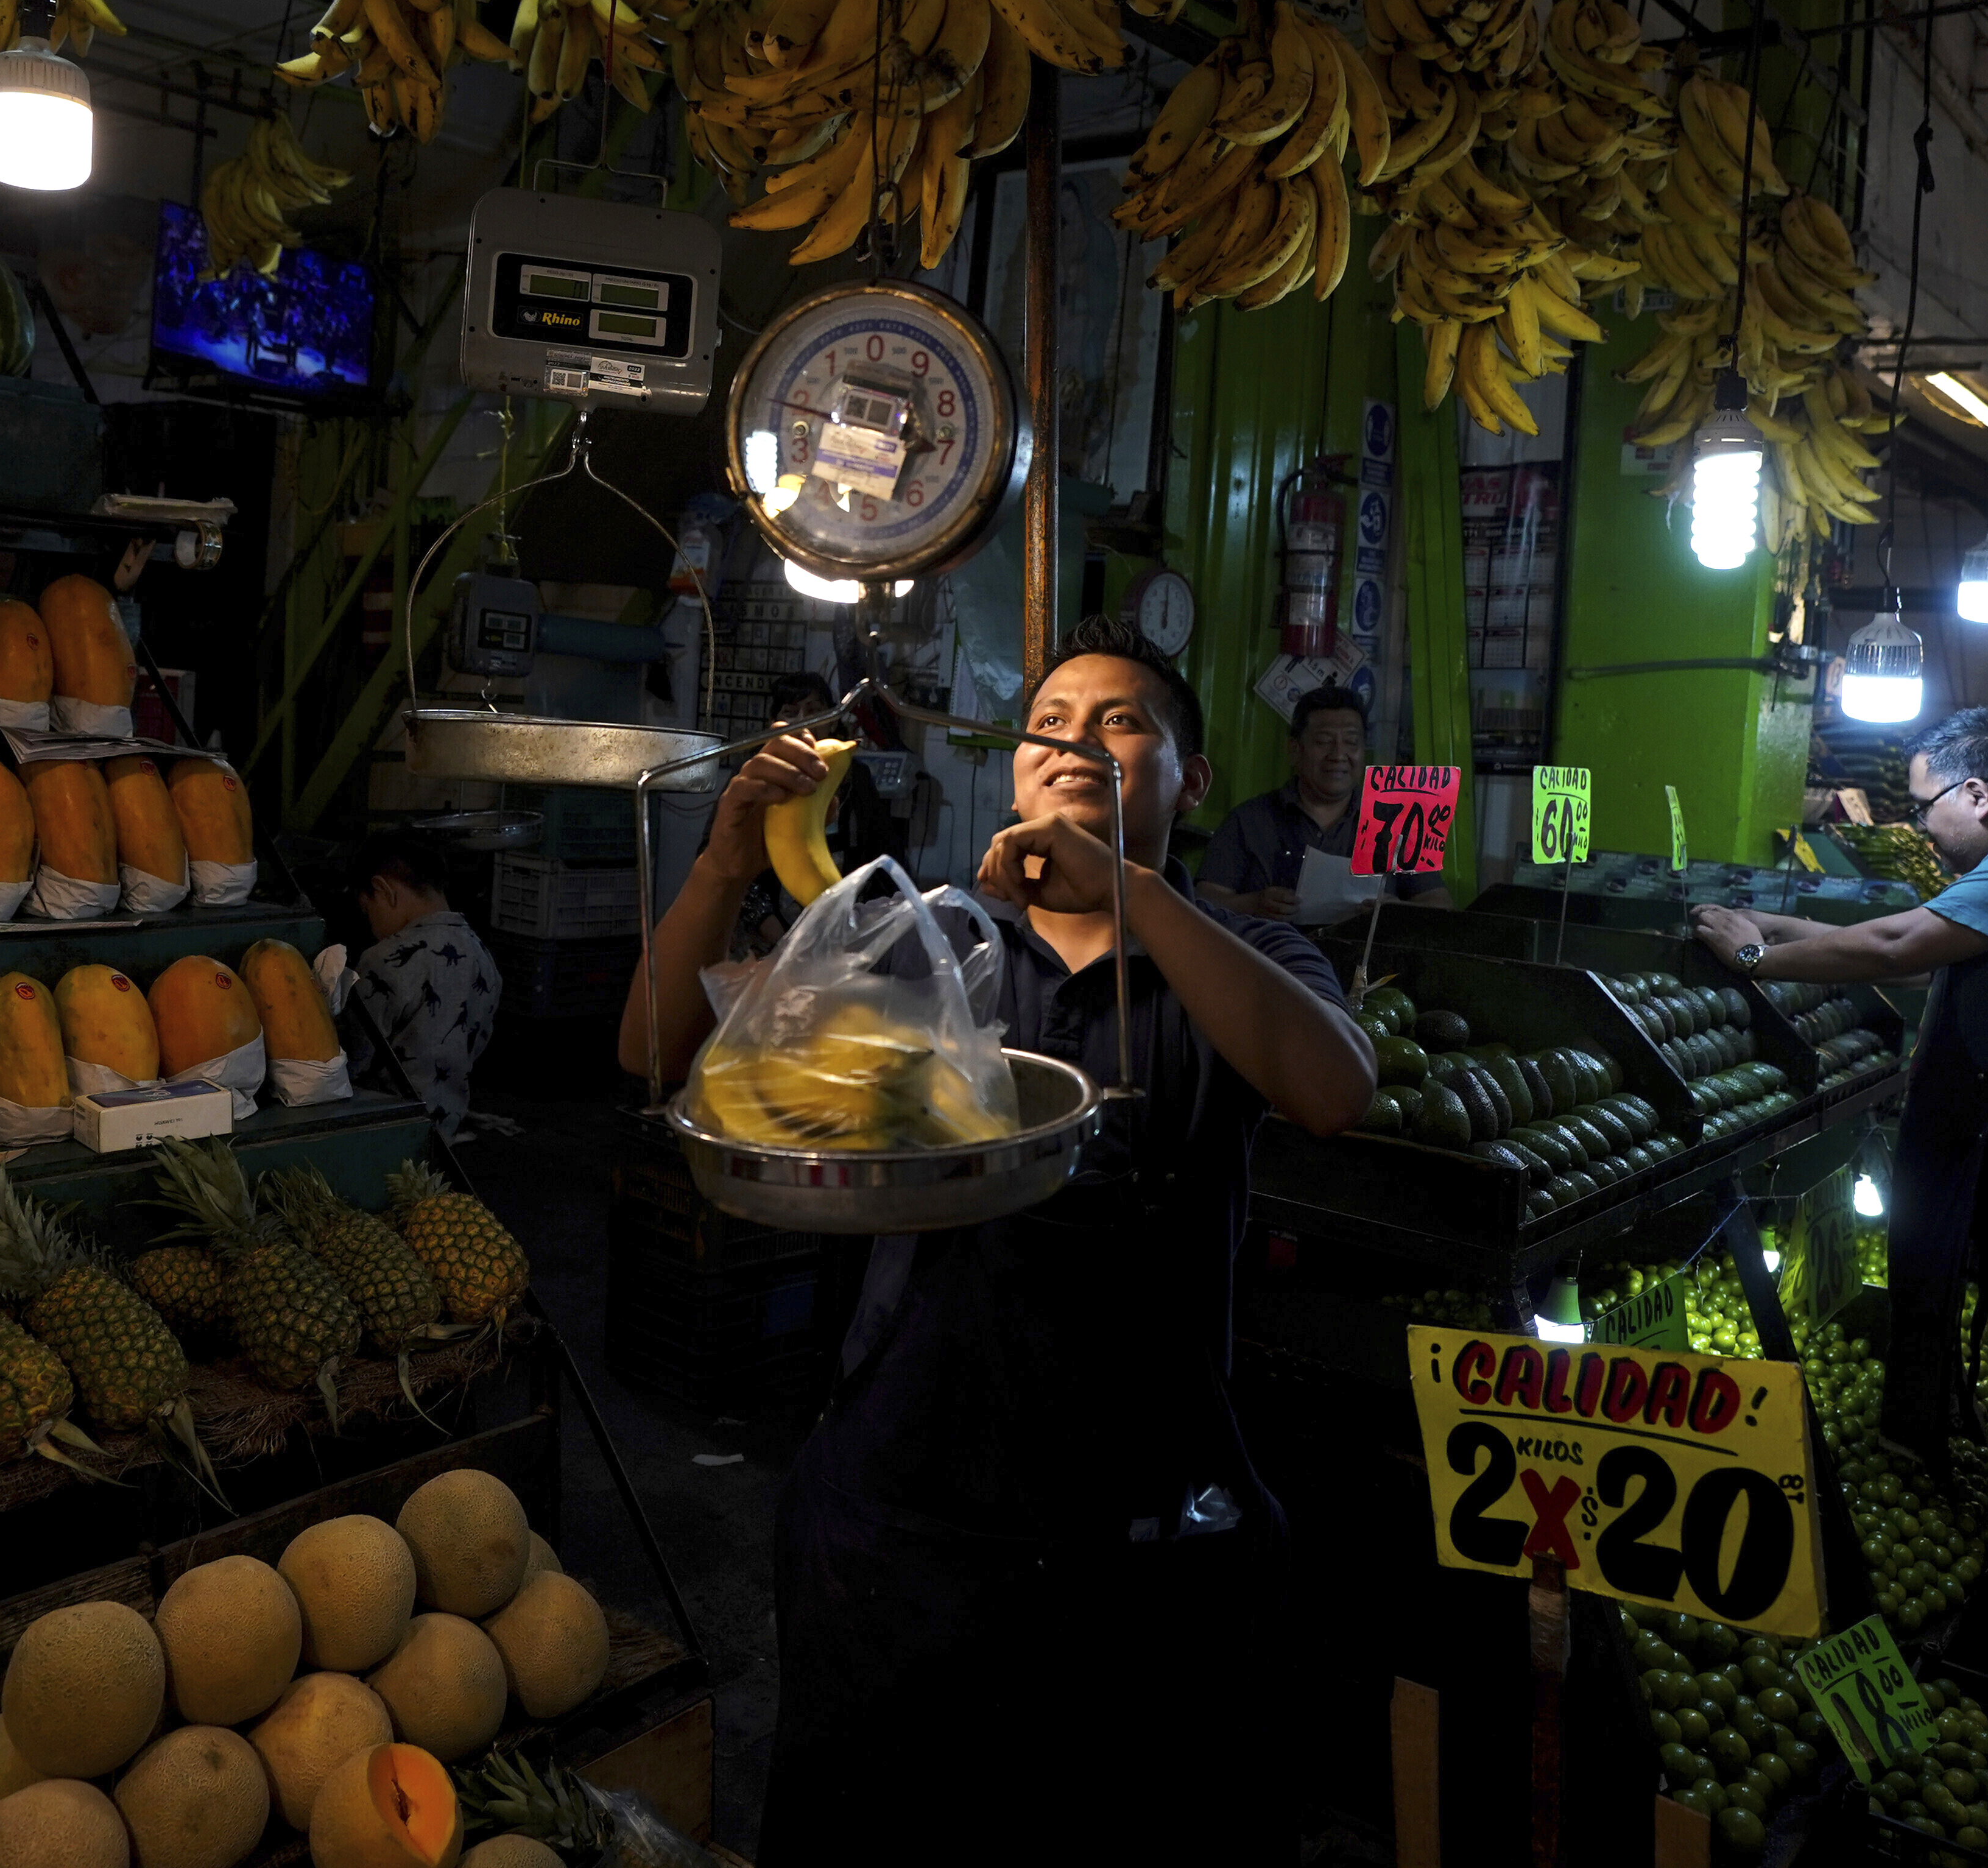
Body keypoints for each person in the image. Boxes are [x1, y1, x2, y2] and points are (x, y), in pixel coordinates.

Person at [618, 616, 1375, 1866]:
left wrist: (1127, 893)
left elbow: (1332, 1088)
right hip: (900, 1508)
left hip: (1140, 1520)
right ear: (1013, 775)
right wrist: (719, 864)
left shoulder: (1244, 957)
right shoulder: (920, 946)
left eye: (1123, 721)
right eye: (1050, 726)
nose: (1077, 740)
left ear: (1187, 780)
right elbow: (649, 1054)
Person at [1687, 704, 1988, 1706]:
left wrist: (1752, 957)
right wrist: (1762, 920)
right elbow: (1880, 934)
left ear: (1975, 794)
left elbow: (1895, 943)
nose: (1917, 830)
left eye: (1922, 810)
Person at [1195, 684, 1451, 919]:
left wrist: (1398, 913)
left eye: (1351, 742)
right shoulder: (1249, 820)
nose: (1339, 755)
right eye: (1324, 741)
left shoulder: (1400, 821)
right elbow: (1202, 900)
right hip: (1270, 962)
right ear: (1295, 750)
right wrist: (1252, 905)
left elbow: (1440, 904)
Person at [344, 834, 503, 1141]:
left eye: (367, 911)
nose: (371, 924)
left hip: (381, 1130)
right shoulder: (482, 956)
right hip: (445, 1128)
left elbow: (352, 1058)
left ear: (383, 890)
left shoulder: (384, 959)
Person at [736, 672, 900, 953]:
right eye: (790, 712)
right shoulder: (754, 781)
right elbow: (728, 864)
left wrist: (863, 927)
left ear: (834, 718)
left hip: (844, 939)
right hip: (769, 943)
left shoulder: (857, 779)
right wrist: (774, 932)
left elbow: (884, 858)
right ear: (774, 724)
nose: (803, 720)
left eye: (814, 711)